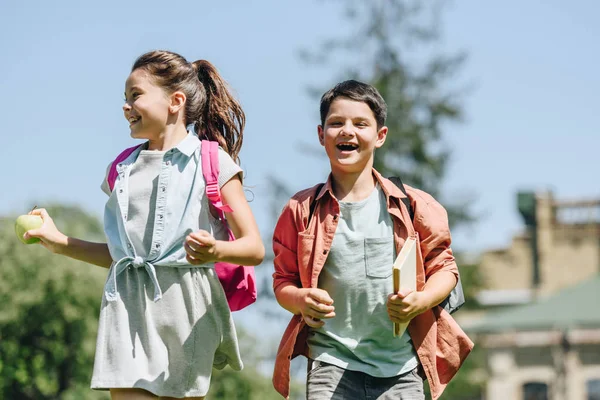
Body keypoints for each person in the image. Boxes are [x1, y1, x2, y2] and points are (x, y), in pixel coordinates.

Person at [23, 50, 265, 400]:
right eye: (125, 98)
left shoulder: (213, 161)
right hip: (126, 305)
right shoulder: (121, 171)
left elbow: (254, 248)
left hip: (187, 310)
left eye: (135, 95)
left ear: (175, 101)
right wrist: (60, 241)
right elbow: (124, 257)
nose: (126, 106)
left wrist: (217, 249)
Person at [271, 80, 473, 400]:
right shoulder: (301, 209)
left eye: (360, 123)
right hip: (330, 361)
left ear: (380, 136)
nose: (347, 131)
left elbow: (446, 268)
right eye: (336, 123)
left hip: (401, 367)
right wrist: (299, 300)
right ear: (321, 134)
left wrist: (420, 301)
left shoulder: (415, 205)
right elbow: (283, 281)